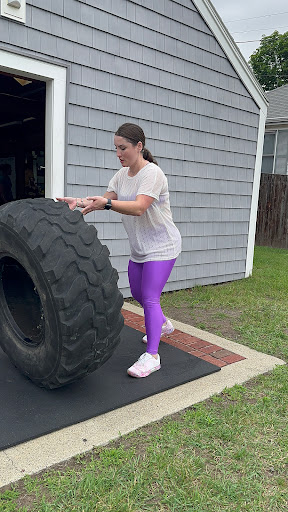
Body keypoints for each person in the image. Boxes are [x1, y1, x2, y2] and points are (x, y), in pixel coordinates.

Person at [57, 123, 181, 378]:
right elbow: (105, 200)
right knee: (137, 292)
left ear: (139, 146)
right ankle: (164, 324)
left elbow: (138, 207)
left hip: (163, 245)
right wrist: (79, 201)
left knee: (149, 297)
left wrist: (108, 204)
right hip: (140, 248)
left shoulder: (152, 174)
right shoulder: (120, 176)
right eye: (116, 148)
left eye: (122, 148)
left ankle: (153, 357)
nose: (118, 154)